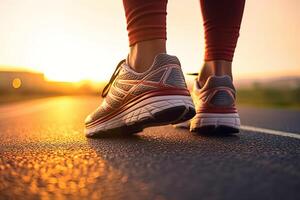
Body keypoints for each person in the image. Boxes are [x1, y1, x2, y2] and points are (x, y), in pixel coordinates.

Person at [84, 0, 245, 137]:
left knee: (146, 59)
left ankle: (143, 65)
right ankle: (218, 81)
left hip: (148, 79)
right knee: (216, 68)